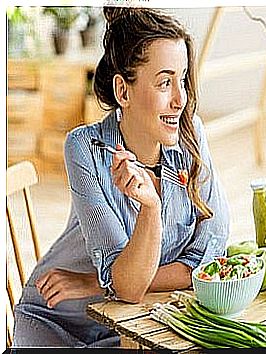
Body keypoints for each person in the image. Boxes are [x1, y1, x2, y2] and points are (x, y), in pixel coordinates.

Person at [13, 7, 230, 347]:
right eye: (164, 82)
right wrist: (151, 210)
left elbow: (206, 262)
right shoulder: (85, 148)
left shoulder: (192, 136)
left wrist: (97, 283)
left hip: (128, 325)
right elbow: (129, 287)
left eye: (183, 79)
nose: (180, 99)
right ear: (123, 92)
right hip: (57, 322)